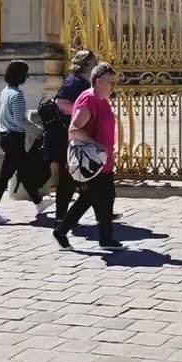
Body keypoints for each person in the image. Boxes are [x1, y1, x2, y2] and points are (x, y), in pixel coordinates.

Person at [53, 62, 123, 251]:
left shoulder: (101, 99)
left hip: (102, 161)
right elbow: (74, 130)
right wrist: (97, 145)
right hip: (91, 161)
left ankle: (61, 232)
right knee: (104, 197)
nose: (112, 85)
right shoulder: (88, 100)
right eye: (110, 82)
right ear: (98, 81)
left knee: (89, 198)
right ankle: (106, 240)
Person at [0, 61, 50, 224]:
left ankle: (39, 203)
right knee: (5, 176)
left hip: (5, 136)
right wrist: (36, 128)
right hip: (15, 138)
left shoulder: (5, 92)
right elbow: (20, 120)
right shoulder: (17, 95)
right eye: (26, 74)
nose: (27, 77)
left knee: (23, 172)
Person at [41, 50, 96, 221]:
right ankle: (62, 216)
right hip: (68, 136)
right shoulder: (74, 82)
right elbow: (61, 103)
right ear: (87, 64)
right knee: (70, 178)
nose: (96, 64)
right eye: (94, 62)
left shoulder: (83, 81)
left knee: (82, 178)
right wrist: (81, 115)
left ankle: (103, 211)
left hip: (76, 136)